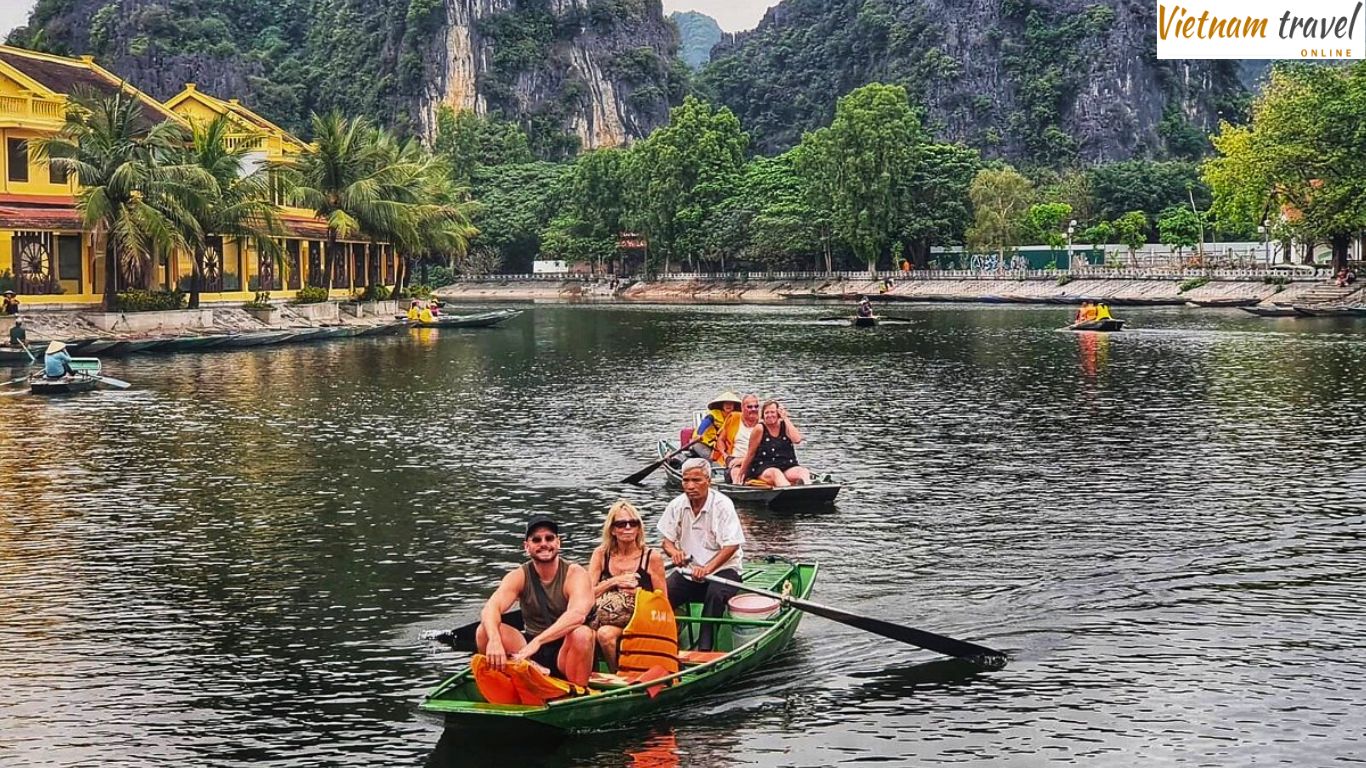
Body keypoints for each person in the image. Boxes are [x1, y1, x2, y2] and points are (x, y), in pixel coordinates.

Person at [476, 515, 595, 687]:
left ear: (558, 543)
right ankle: (513, 679)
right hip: (529, 649)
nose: (544, 544)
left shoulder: (574, 573)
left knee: (582, 634)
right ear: (527, 546)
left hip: (565, 649)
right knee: (484, 631)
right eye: (536, 540)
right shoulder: (518, 575)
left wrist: (537, 642)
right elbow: (491, 608)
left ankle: (576, 690)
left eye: (549, 538)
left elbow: (577, 615)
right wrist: (494, 640)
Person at [658, 458, 745, 652]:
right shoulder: (676, 505)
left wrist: (707, 569)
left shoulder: (722, 505)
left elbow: (732, 545)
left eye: (696, 480)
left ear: (709, 480)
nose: (690, 486)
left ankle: (705, 649)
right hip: (689, 572)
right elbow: (666, 541)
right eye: (686, 480)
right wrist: (675, 553)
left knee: (714, 595)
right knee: (660, 595)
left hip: (723, 571)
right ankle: (665, 642)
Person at [587, 500, 668, 671]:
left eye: (633, 523)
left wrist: (638, 593)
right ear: (613, 530)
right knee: (586, 632)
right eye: (621, 524)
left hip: (640, 616)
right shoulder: (601, 554)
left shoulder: (652, 557)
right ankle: (600, 673)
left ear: (639, 528)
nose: (628, 528)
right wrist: (614, 581)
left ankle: (619, 673)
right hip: (605, 615)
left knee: (605, 635)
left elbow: (662, 601)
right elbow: (587, 595)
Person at [736, 400, 812, 487]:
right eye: (767, 413)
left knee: (803, 472)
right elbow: (750, 453)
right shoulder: (760, 428)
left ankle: (809, 492)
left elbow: (797, 439)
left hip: (786, 466)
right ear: (763, 415)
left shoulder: (785, 425)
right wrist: (741, 473)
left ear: (778, 413)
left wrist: (785, 418)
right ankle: (788, 494)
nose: (770, 415)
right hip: (765, 468)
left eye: (772, 412)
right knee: (776, 473)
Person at [718, 393, 762, 484]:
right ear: (742, 408)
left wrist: (744, 460)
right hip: (735, 459)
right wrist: (725, 455)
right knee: (736, 473)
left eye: (756, 406)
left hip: (758, 461)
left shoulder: (764, 422)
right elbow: (720, 440)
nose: (753, 409)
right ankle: (738, 489)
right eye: (749, 407)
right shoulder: (733, 418)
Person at [692, 391, 741, 462]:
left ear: (734, 406)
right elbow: (705, 423)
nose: (728, 406)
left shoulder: (736, 416)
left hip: (721, 446)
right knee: (712, 459)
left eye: (730, 404)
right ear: (722, 405)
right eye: (726, 404)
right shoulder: (713, 415)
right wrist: (699, 434)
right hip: (703, 443)